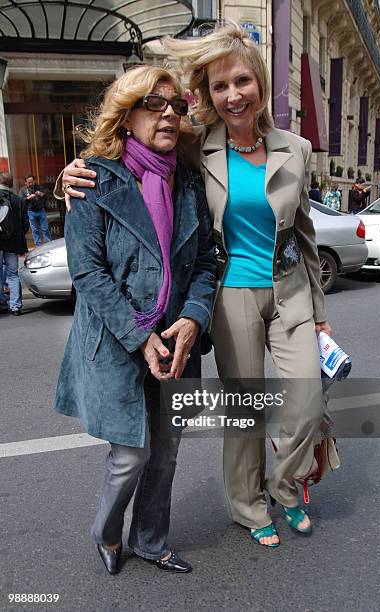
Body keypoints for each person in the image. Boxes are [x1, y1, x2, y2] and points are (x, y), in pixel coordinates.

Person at [57, 22, 332, 549]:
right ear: (208, 96)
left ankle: (284, 485)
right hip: (230, 295)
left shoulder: (295, 149)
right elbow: (122, 153)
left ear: (259, 84)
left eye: (243, 82)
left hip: (289, 287)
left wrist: (319, 311)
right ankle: (249, 507)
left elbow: (304, 232)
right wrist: (65, 177)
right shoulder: (196, 146)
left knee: (305, 403)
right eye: (220, 87)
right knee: (243, 411)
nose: (233, 96)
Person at [54, 65, 217, 575]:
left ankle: (150, 540)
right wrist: (138, 334)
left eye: (177, 105)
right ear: (126, 116)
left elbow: (208, 261)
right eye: (154, 102)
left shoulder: (188, 179)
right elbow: (87, 271)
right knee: (131, 456)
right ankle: (106, 534)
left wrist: (193, 317)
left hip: (176, 339)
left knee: (166, 454)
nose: (168, 112)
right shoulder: (93, 178)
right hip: (120, 338)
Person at [0, 172, 29, 315]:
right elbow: (25, 224)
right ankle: (15, 306)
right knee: (12, 274)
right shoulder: (19, 200)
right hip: (13, 243)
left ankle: (1, 302)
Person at [19, 174, 52, 247]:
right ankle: (38, 246)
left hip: (41, 210)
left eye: (32, 182)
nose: (31, 184)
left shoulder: (39, 187)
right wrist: (28, 198)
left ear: (34, 181)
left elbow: (48, 195)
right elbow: (20, 201)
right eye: (29, 182)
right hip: (31, 212)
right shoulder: (23, 190)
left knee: (45, 228)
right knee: (35, 230)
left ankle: (49, 244)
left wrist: (41, 194)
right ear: (25, 182)